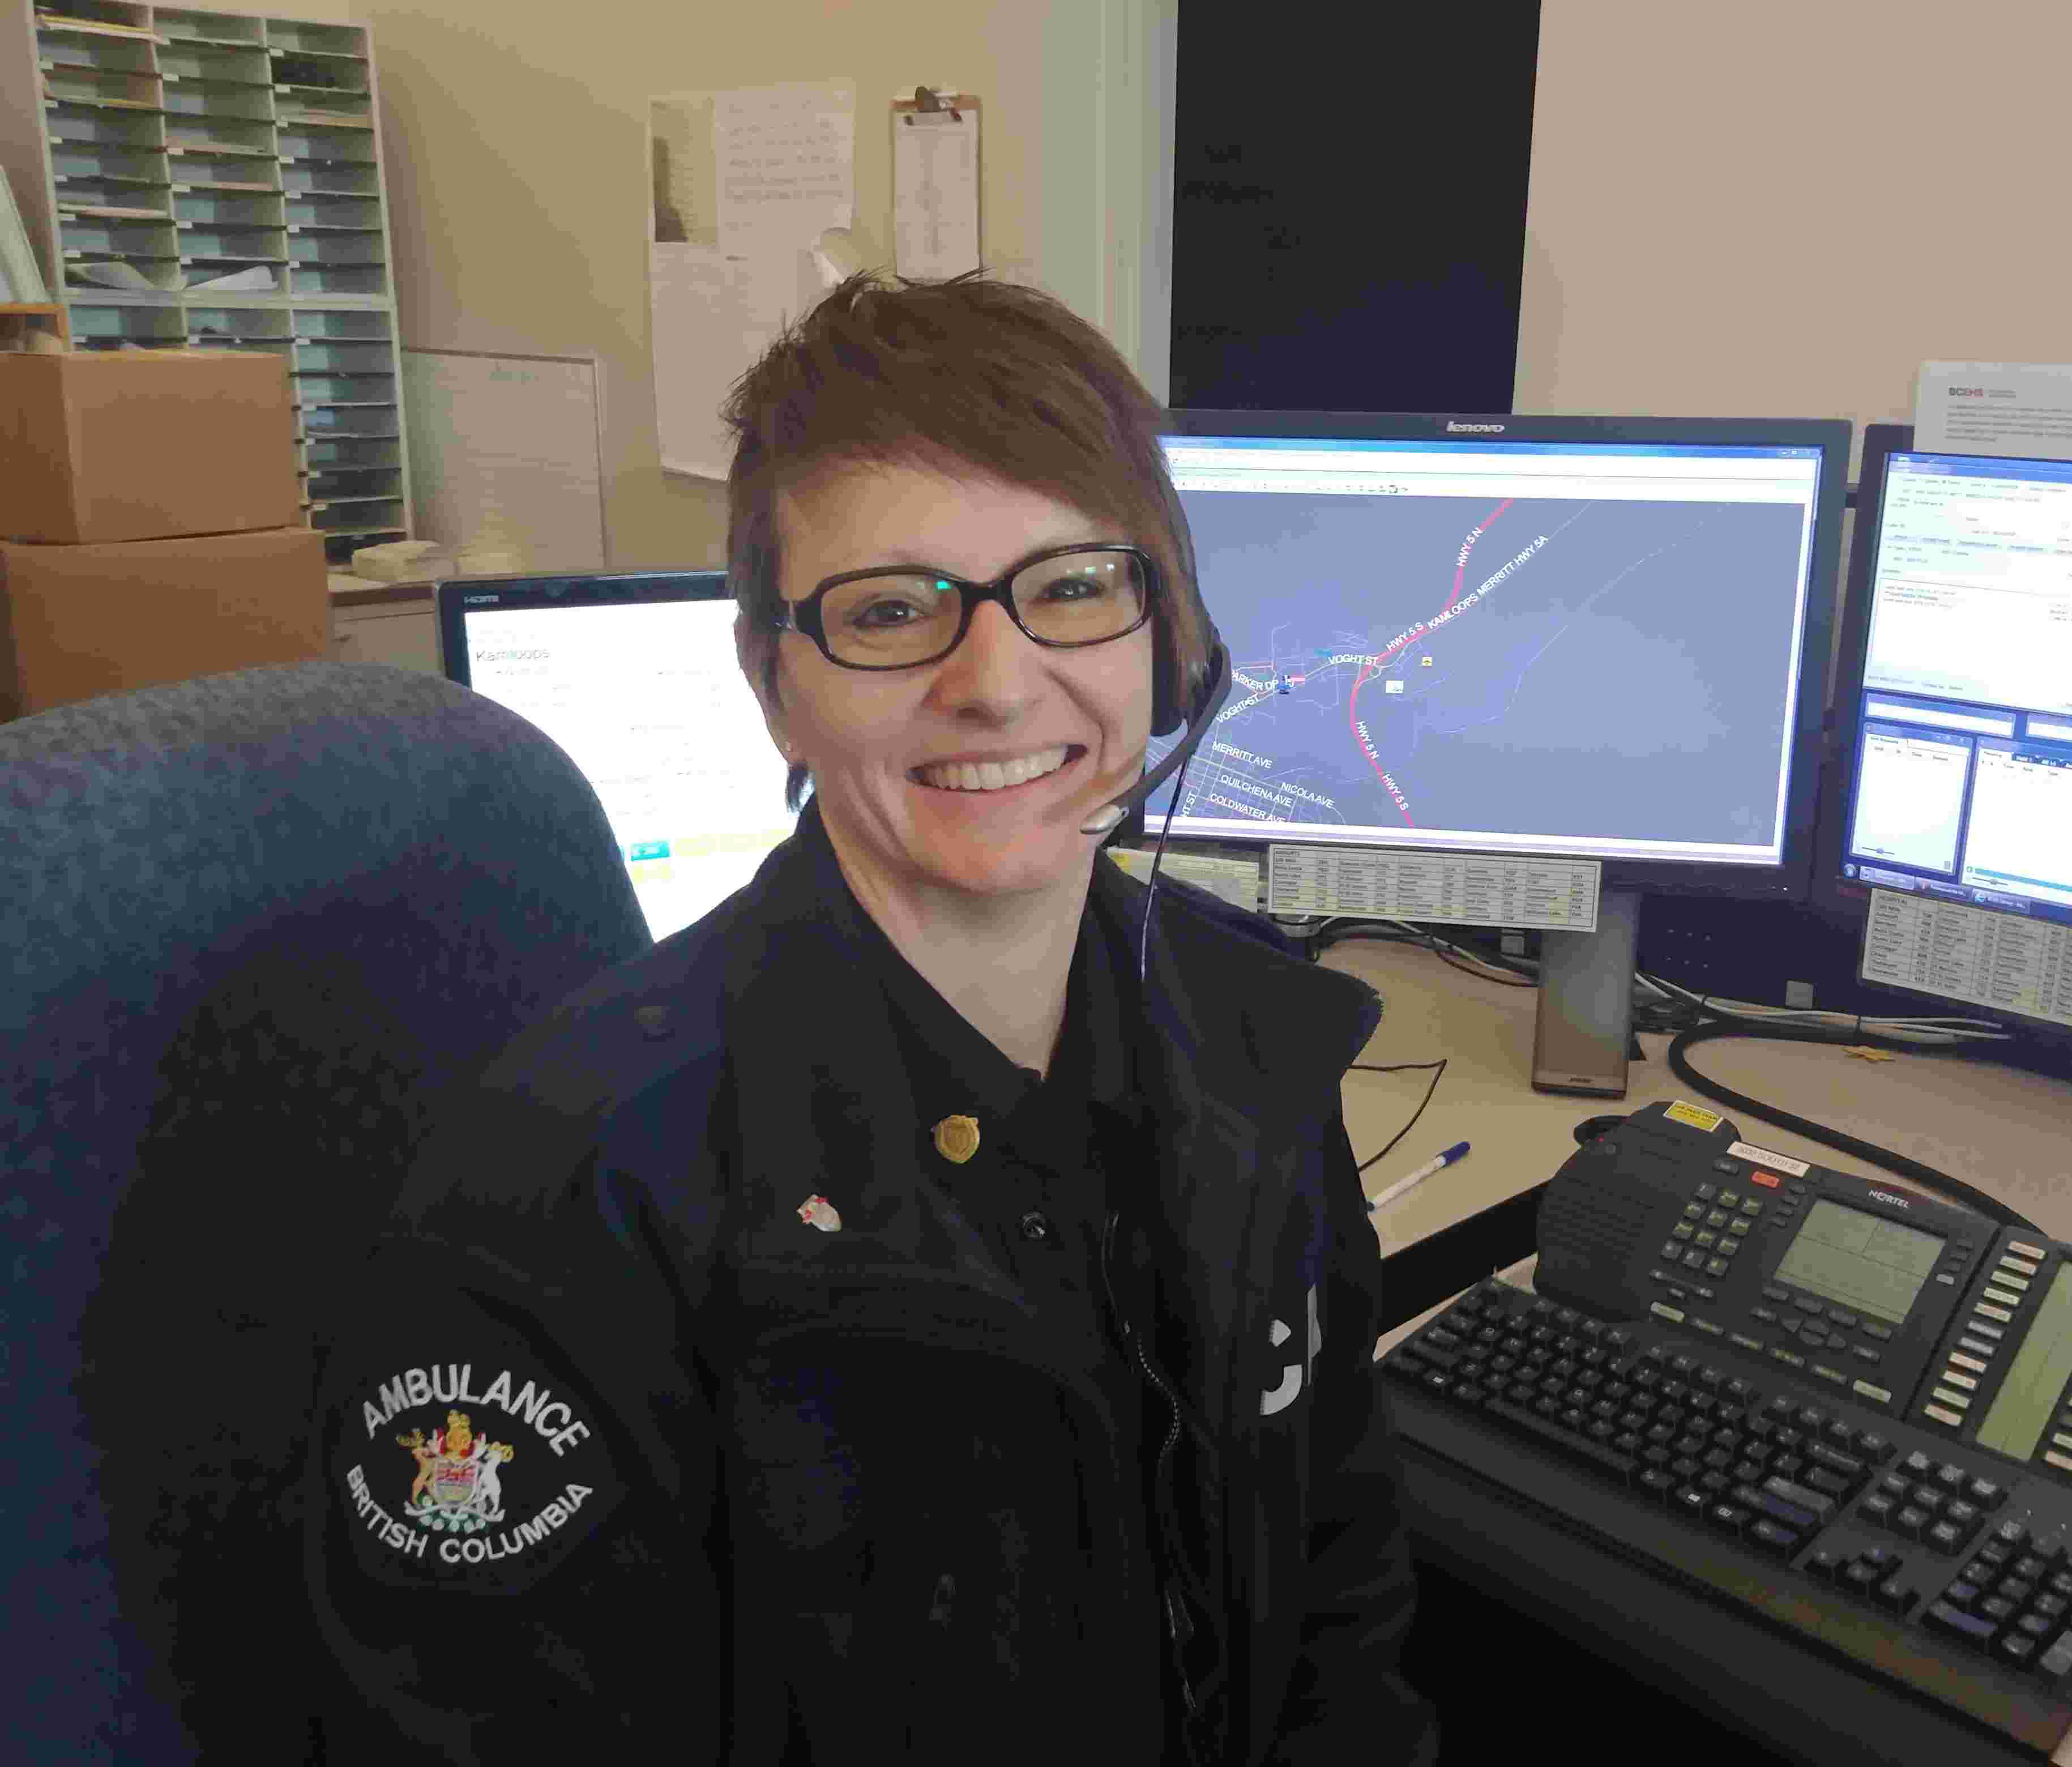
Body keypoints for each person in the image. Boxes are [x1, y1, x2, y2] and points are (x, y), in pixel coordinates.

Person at [301, 267, 1440, 1766]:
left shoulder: (1260, 1051)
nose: (998, 684)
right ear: (778, 688)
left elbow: (1337, 1605)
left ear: (1168, 644)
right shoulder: (556, 1211)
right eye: (893, 611)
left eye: (1074, 585)